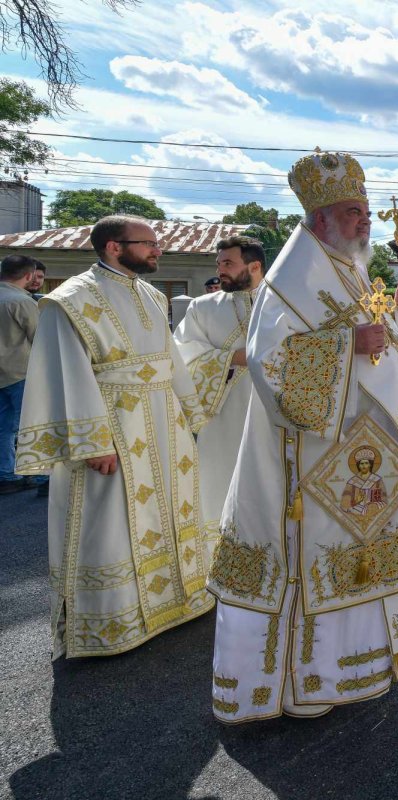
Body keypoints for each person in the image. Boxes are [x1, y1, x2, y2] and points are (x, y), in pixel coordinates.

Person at [207, 149, 398, 723]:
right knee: (319, 556)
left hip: (363, 450)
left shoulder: (350, 267)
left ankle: (363, 666)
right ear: (320, 218)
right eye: (353, 213)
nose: (365, 222)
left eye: (365, 212)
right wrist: (350, 345)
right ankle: (306, 681)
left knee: (365, 552)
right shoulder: (289, 280)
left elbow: (380, 343)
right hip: (312, 457)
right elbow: (270, 363)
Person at [15, 215, 213, 658]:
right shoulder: (69, 300)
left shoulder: (151, 294)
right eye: (148, 243)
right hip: (113, 425)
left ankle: (176, 601)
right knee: (111, 519)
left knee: (170, 507)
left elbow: (170, 359)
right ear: (113, 247)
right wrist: (93, 442)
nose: (157, 250)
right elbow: (65, 373)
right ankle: (114, 620)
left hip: (164, 422)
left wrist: (190, 413)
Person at [173, 235, 266, 561]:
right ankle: (221, 558)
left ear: (254, 266)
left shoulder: (284, 302)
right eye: (218, 264)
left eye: (228, 263)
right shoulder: (202, 308)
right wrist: (233, 358)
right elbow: (182, 356)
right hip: (224, 414)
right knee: (220, 481)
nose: (220, 271)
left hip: (274, 410)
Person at [0, 255, 41, 495]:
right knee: (31, 425)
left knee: (4, 428)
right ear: (28, 275)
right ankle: (39, 476)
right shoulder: (21, 301)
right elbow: (40, 338)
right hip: (21, 373)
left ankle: (6, 474)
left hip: (3, 374)